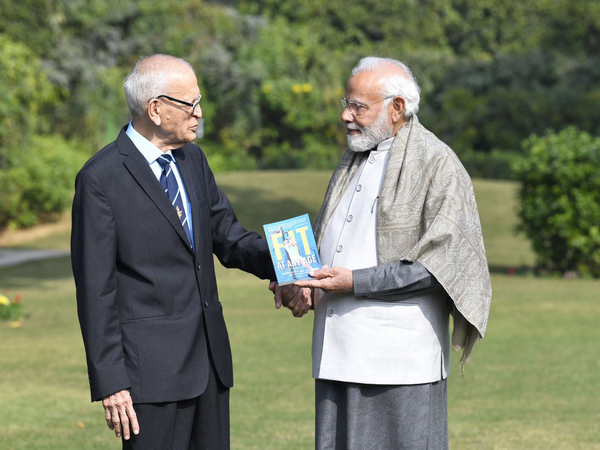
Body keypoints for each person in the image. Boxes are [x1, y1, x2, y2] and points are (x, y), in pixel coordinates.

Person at [70, 54, 296, 449]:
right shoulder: (100, 178)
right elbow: (96, 291)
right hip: (150, 377)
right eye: (190, 104)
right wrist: (111, 382)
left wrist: (293, 263)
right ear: (155, 109)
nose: (199, 113)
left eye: (199, 101)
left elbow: (230, 237)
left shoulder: (192, 160)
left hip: (210, 365)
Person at [284, 56, 492, 449]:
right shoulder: (353, 160)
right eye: (347, 103)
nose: (346, 115)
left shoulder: (437, 163)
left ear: (396, 108)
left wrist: (354, 282)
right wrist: (307, 286)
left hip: (399, 361)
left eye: (358, 106)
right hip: (335, 354)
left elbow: (441, 266)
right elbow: (333, 241)